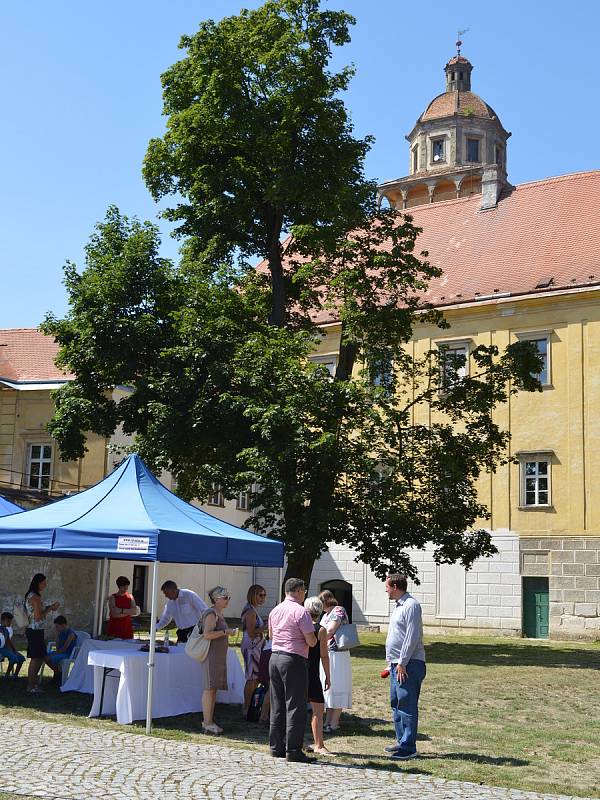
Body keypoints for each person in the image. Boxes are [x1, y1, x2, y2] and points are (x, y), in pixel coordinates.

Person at [268, 577, 317, 764]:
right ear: (297, 591)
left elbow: (271, 635)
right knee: (295, 705)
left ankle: (276, 747)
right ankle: (293, 750)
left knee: (277, 703)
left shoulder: (275, 610)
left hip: (275, 657)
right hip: (293, 659)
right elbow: (311, 641)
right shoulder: (301, 611)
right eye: (304, 590)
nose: (305, 593)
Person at [384, 573, 426, 760]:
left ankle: (409, 747)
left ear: (394, 586)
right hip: (396, 664)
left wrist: (402, 662)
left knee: (407, 704)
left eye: (387, 586)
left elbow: (411, 636)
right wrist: (391, 663)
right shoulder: (399, 606)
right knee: (396, 703)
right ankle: (402, 740)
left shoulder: (411, 605)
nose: (385, 590)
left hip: (409, 664)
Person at [199, 586, 237, 735]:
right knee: (209, 688)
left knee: (213, 688)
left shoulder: (219, 613)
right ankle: (207, 723)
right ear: (216, 599)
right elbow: (207, 635)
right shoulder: (211, 613)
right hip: (211, 655)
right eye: (225, 598)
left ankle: (209, 721)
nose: (227, 600)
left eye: (228, 597)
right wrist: (225, 632)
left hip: (218, 655)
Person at [304, 596, 334, 757]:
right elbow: (324, 656)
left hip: (299, 669)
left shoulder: (300, 626)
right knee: (317, 708)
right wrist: (328, 676)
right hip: (313, 671)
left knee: (295, 707)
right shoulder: (320, 630)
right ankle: (318, 744)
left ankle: (295, 740)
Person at [319, 590, 352, 733]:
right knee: (328, 687)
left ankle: (334, 722)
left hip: (337, 655)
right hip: (326, 653)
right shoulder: (326, 614)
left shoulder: (339, 610)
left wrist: (316, 641)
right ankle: (327, 720)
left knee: (338, 685)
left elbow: (330, 630)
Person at [24, 573, 60, 693]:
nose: (45, 585)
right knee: (36, 659)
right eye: (43, 583)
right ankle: (31, 686)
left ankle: (33, 685)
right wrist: (50, 609)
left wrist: (48, 607)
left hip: (33, 630)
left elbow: (36, 613)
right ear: (38, 583)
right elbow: (38, 617)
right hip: (35, 630)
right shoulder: (35, 597)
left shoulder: (31, 595)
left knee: (39, 657)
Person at [240, 584, 268, 716]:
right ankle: (246, 709)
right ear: (253, 595)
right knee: (252, 678)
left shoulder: (254, 609)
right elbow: (251, 633)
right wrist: (266, 626)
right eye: (260, 595)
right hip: (251, 648)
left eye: (264, 595)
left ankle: (249, 707)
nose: (263, 598)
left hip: (256, 648)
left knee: (255, 678)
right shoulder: (250, 611)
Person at [0, 612, 25, 677]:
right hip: (1, 649)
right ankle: (7, 675)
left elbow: (9, 641)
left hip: (6, 649)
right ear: (2, 620)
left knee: (21, 658)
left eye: (11, 621)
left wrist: (14, 650)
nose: (10, 623)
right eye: (8, 621)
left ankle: (15, 675)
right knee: (14, 659)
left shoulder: (6, 630)